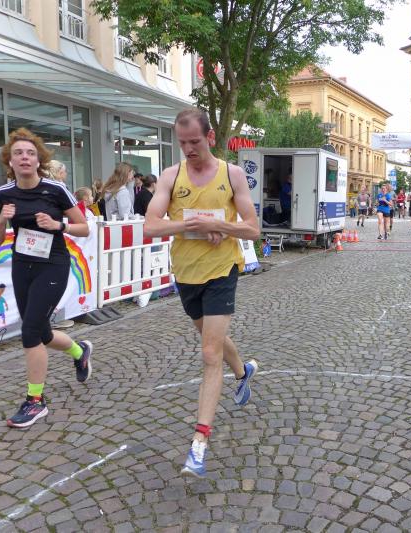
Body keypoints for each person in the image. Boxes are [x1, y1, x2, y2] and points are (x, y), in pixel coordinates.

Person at [143, 108, 259, 477]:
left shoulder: (232, 174)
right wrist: (187, 224)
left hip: (222, 270)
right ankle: (243, 371)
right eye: (182, 143)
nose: (189, 148)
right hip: (186, 272)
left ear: (209, 137)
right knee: (213, 339)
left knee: (209, 352)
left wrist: (223, 227)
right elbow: (150, 226)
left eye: (194, 141)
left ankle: (199, 443)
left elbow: (253, 228)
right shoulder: (170, 176)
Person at [0, 127, 92, 429]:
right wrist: (3, 219)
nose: (24, 157)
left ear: (39, 160)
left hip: (53, 264)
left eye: (30, 153)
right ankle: (80, 351)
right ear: (10, 160)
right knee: (42, 332)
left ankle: (35, 401)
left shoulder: (55, 189)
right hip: (22, 265)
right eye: (18, 153)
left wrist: (58, 225)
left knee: (30, 331)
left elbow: (84, 227)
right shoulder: (3, 194)